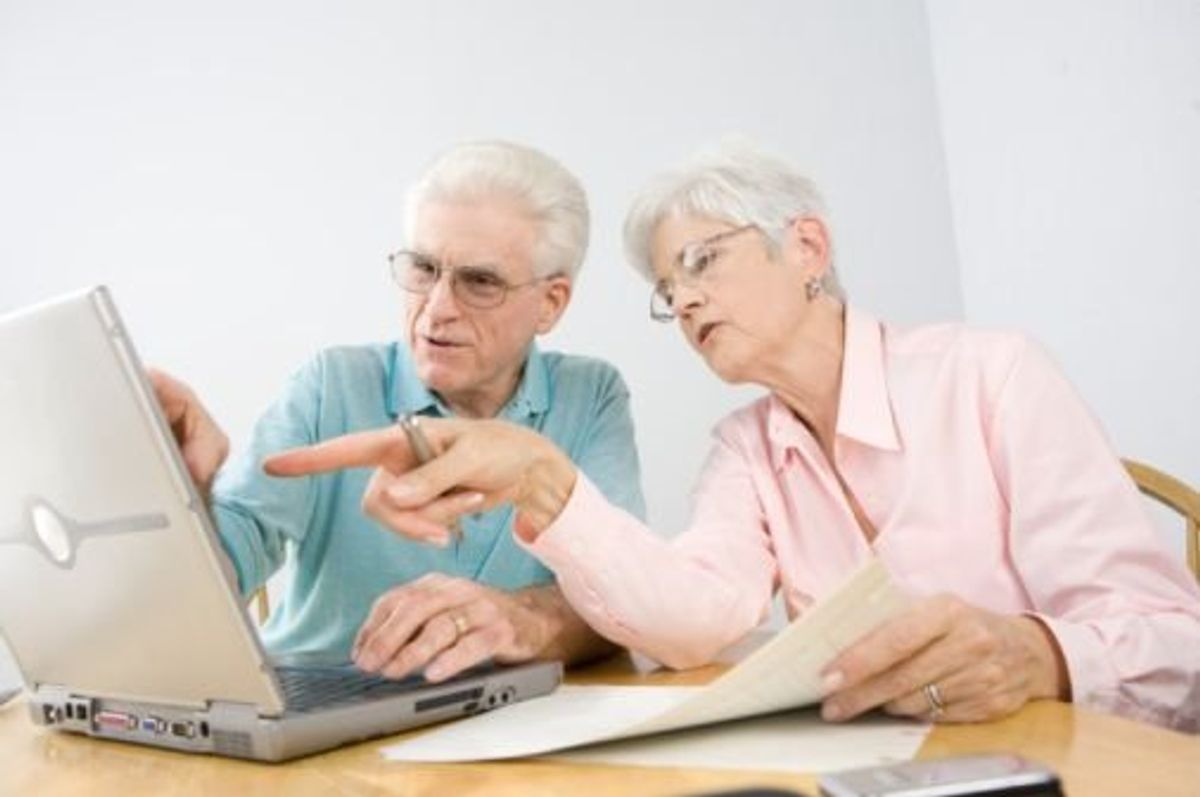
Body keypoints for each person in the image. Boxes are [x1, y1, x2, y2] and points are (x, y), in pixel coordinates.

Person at [264, 142, 1200, 731]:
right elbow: (693, 622)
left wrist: (1039, 652)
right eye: (668, 290)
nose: (685, 299)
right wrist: (545, 482)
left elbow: (1173, 642)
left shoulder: (992, 374)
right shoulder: (744, 447)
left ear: (807, 248)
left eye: (701, 260)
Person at [152, 140, 645, 683]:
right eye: (423, 269)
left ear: (551, 303)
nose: (436, 309)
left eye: (479, 282)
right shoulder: (331, 385)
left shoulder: (592, 395)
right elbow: (210, 584)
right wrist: (186, 497)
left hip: (502, 729)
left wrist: (514, 618)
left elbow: (623, 594)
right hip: (320, 705)